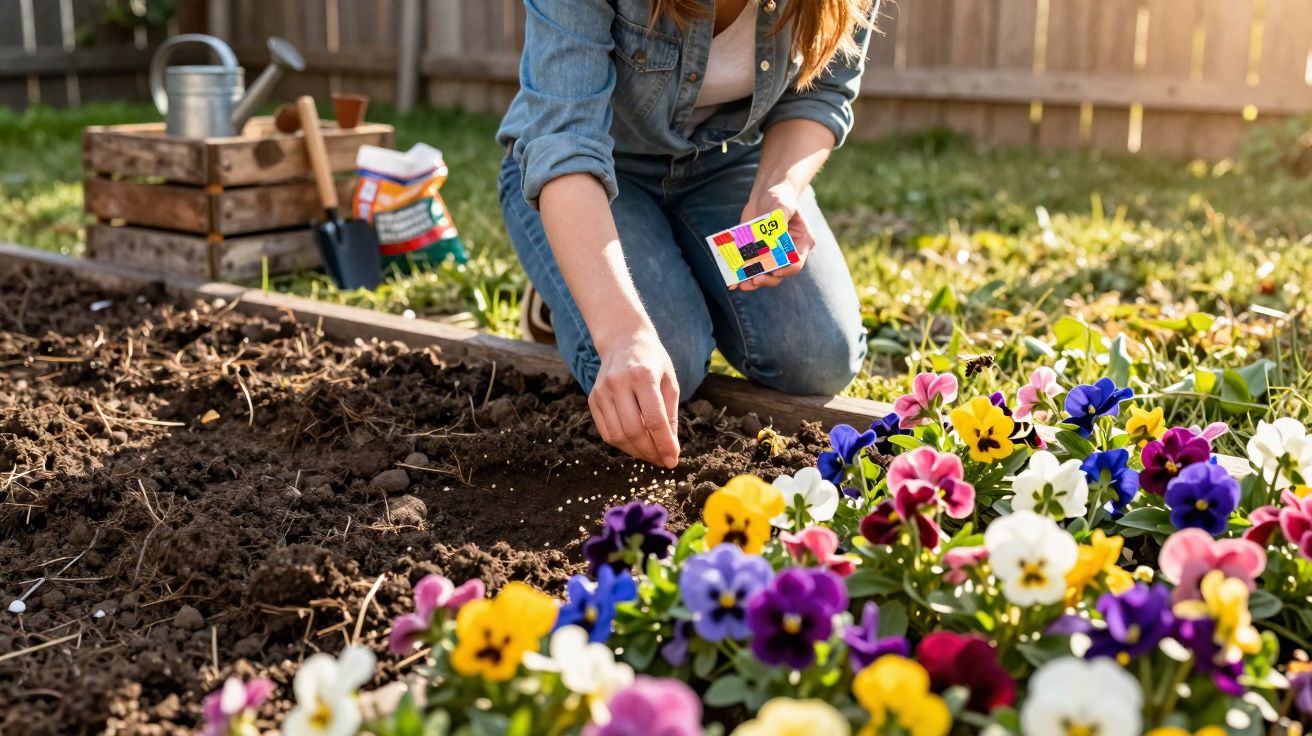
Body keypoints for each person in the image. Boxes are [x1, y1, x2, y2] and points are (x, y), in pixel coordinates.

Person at [498, 0, 876, 468]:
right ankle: (569, 272)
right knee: (665, 364)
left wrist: (777, 185)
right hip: (588, 175)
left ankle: (662, 262)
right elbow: (564, 144)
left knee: (819, 358)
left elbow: (822, 94)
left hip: (728, 165)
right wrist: (621, 337)